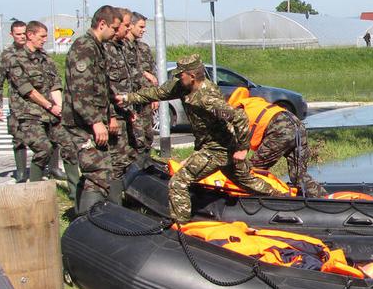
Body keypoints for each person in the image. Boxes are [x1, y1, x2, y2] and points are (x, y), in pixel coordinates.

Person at [117, 54, 279, 223]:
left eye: (181, 75)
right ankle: (281, 198)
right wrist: (127, 98)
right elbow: (158, 93)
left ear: (192, 76)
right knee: (245, 181)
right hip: (212, 146)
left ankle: (180, 226)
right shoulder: (183, 87)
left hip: (217, 149)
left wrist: (242, 148)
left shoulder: (207, 98)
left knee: (178, 182)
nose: (178, 77)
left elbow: (239, 118)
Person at [63, 5, 119, 213]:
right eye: (114, 28)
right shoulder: (84, 47)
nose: (115, 33)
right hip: (83, 124)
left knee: (94, 172)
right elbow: (81, 93)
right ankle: (88, 225)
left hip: (90, 121)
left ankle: (82, 217)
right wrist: (96, 122)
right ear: (102, 24)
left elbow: (100, 90)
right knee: (97, 173)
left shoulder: (96, 47)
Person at [227, 86, 326, 196]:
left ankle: (269, 197)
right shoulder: (253, 102)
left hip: (280, 129)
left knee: (255, 168)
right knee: (299, 175)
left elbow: (237, 143)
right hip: (297, 124)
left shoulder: (237, 111)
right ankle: (325, 199)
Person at [4, 21, 70, 181]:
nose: (45, 39)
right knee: (40, 147)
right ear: (30, 35)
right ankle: (32, 184)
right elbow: (27, 89)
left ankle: (64, 181)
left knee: (67, 145)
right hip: (28, 112)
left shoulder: (45, 58)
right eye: (42, 36)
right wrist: (50, 105)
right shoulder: (14, 58)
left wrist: (59, 106)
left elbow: (55, 84)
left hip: (50, 111)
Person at [103, 8, 138, 201]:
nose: (127, 28)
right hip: (114, 116)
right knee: (115, 162)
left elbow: (127, 84)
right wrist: (112, 116)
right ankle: (115, 205)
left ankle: (128, 198)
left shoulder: (121, 47)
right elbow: (105, 87)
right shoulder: (105, 50)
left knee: (126, 158)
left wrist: (131, 111)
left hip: (124, 113)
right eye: (125, 25)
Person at [125, 11, 158, 163]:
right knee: (134, 138)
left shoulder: (143, 48)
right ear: (130, 26)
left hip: (145, 100)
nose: (143, 30)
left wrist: (155, 97)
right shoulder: (122, 48)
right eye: (141, 26)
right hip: (131, 100)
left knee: (147, 136)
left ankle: (145, 165)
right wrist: (144, 73)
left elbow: (153, 74)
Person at [0, 20, 29, 182]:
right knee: (18, 138)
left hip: (38, 103)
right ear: (12, 35)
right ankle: (21, 173)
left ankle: (52, 169)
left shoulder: (33, 51)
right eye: (18, 34)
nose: (22, 37)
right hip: (17, 104)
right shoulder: (7, 55)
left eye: (24, 33)